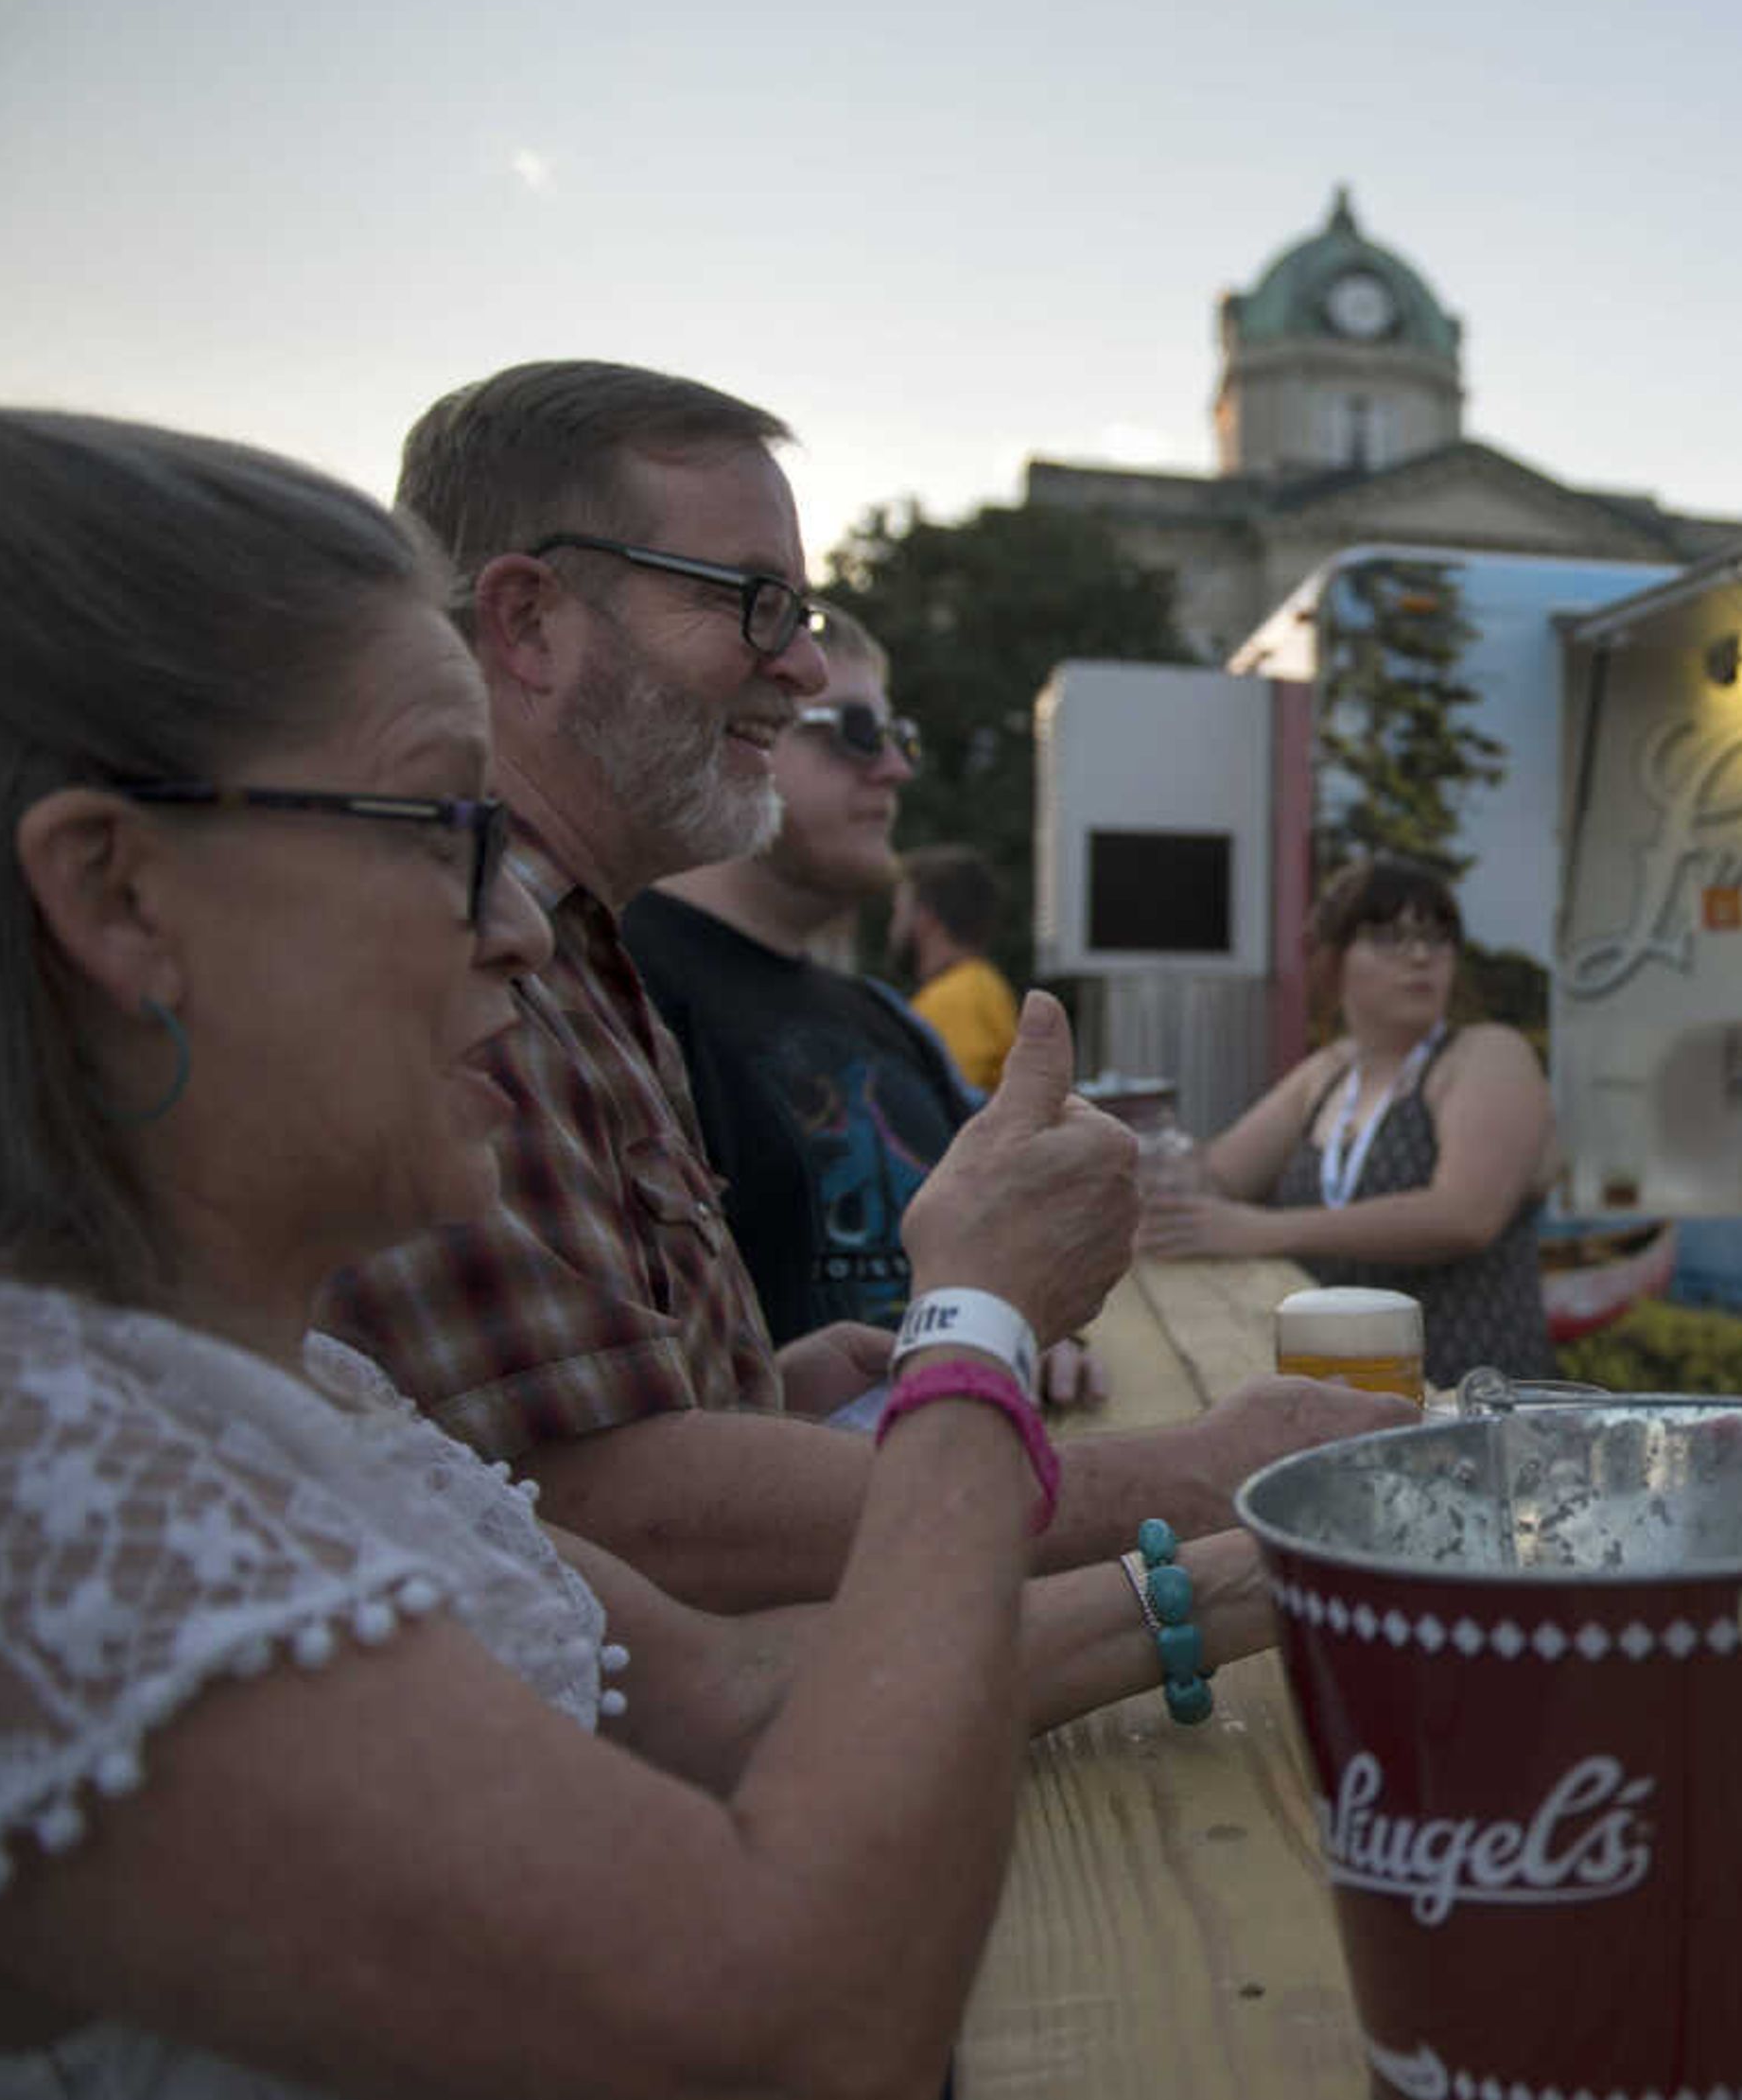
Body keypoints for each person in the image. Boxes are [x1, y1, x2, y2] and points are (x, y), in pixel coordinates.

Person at [0, 406, 1271, 2100]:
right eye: (433, 828)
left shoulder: (271, 1381)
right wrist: (978, 1331)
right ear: (114, 892)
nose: (513, 926)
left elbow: (720, 1701)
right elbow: (801, 2045)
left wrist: (1296, 1556)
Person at [313, 361, 1412, 1611]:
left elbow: (533, 1470)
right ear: (529, 624)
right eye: (756, 603)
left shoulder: (583, 946)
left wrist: (772, 1386)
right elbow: (583, 1509)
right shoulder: (452, 953)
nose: (796, 670)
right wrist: (1192, 1468)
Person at [626, 607, 1102, 1413]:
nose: (895, 769)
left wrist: (1046, 1331)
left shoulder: (886, 1017)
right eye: (854, 731)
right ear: (743, 727)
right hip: (798, 1521)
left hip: (976, 1482)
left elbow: (1006, 1236)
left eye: (900, 737)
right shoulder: (619, 984)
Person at [1142, 855, 1556, 1389]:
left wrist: (1264, 1231)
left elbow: (1465, 1215)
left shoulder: (1487, 1053)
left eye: (1438, 937)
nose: (1420, 955)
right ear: (1334, 960)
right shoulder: (1329, 1073)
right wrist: (1147, 1156)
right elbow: (1216, 1178)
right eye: (1388, 936)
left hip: (1462, 1402)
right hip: (1338, 1396)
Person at [895, 842, 1021, 1094]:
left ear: (925, 918)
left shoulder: (955, 1000)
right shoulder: (980, 985)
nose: (893, 927)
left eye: (898, 911)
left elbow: (949, 1110)